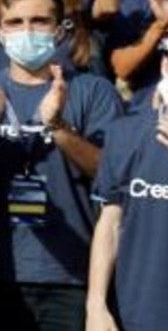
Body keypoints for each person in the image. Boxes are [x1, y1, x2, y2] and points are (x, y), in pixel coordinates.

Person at [0, 0, 122, 331]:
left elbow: (110, 174)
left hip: (69, 275)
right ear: (0, 33)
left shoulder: (93, 91)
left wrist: (59, 127)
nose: (27, 31)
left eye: (40, 21)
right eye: (15, 23)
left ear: (61, 30)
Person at [87, 57, 168, 331]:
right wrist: (96, 305)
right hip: (137, 312)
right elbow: (110, 223)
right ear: (165, 66)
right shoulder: (126, 133)